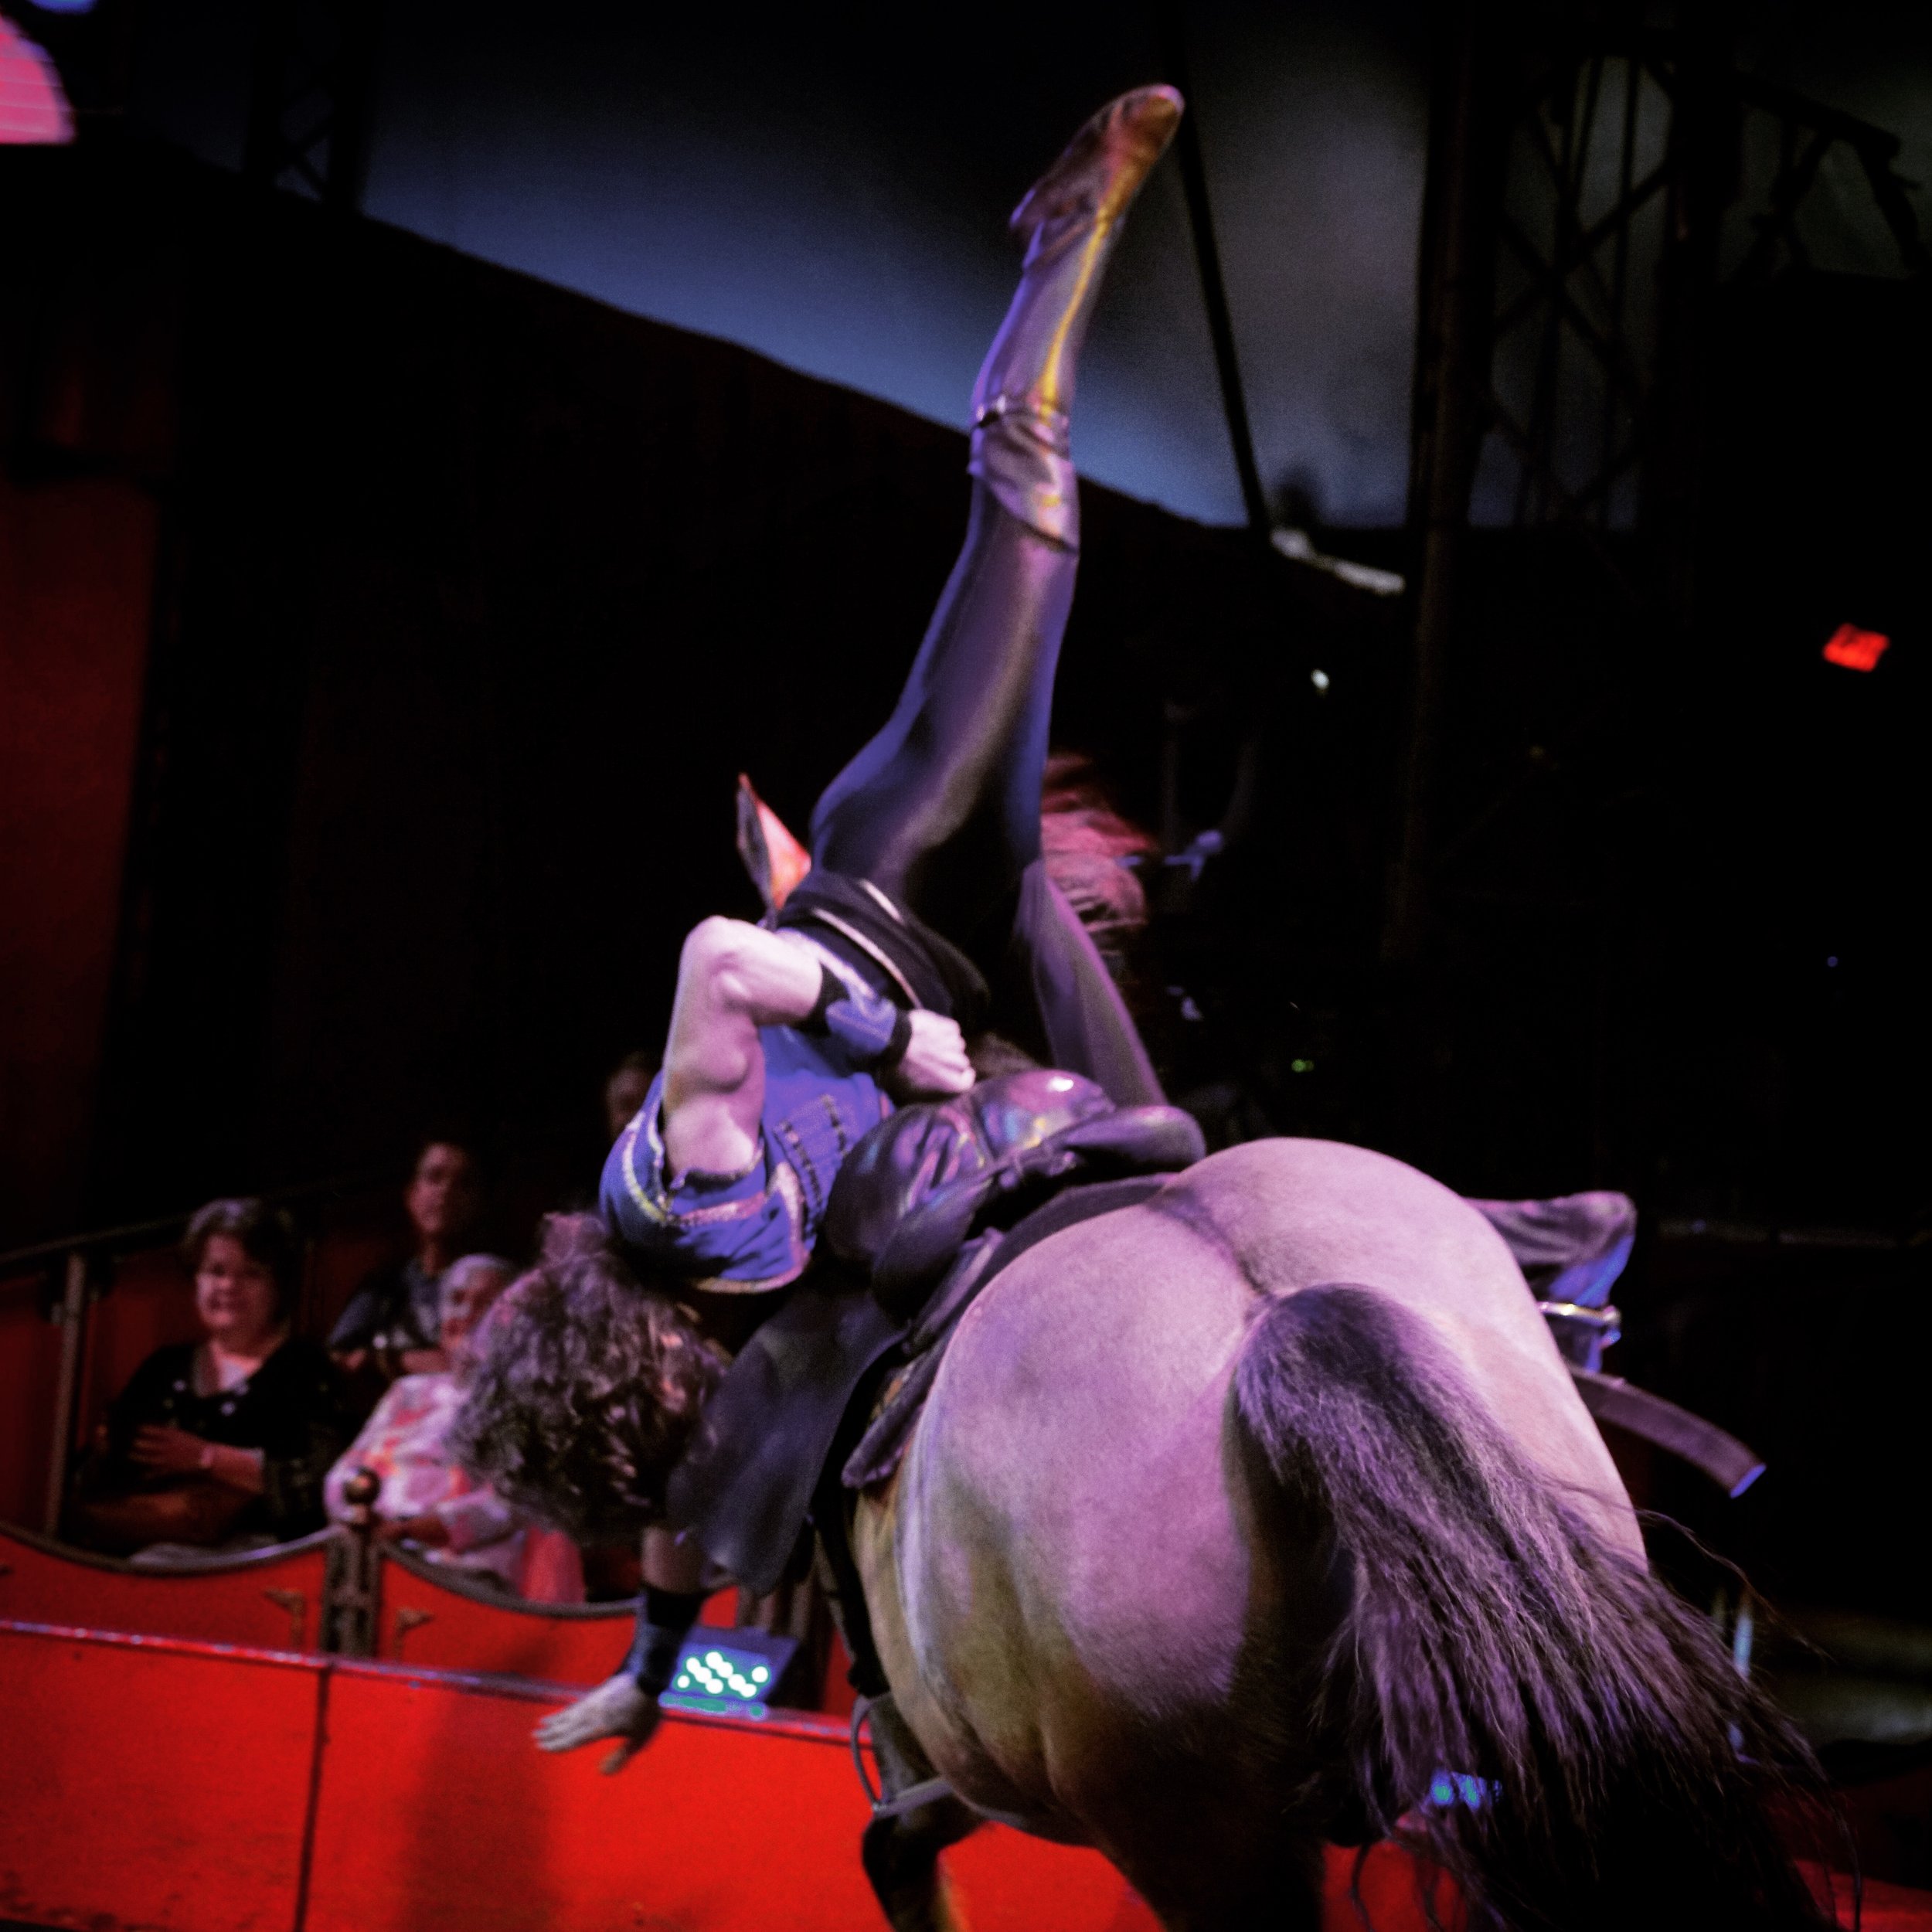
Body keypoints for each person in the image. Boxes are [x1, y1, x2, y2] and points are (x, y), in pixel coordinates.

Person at [461, 86, 1188, 1771]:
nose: (694, 1435)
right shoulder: (690, 1328)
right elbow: (682, 1508)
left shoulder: (674, 1192)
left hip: (906, 867)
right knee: (1177, 1183)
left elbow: (724, 956)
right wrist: (648, 1674)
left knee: (1031, 513)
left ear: (625, 1358)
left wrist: (883, 1038)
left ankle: (1057, 236)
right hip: (974, 944)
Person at [66, 1199, 357, 1556]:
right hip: (149, 1548)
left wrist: (206, 1457)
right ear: (196, 1279)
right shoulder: (164, 1366)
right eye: (216, 1271)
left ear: (279, 1285)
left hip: (265, 1563)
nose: (229, 1286)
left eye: (251, 1273)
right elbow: (97, 1479)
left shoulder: (307, 1369)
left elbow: (324, 1485)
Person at [323, 1253, 579, 1595]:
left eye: (485, 1304)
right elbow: (342, 1474)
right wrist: (360, 1520)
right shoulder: (407, 1391)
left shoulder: (524, 1404)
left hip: (458, 1575)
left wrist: (405, 1531)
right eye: (456, 1300)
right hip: (370, 1551)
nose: (465, 1315)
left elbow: (505, 1505)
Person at [328, 1137, 484, 1381]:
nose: (446, 1191)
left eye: (463, 1184)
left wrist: (383, 1361)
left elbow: (475, 1363)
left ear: (477, 1202)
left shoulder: (487, 1284)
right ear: (411, 1195)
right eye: (435, 1177)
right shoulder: (384, 1284)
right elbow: (338, 1358)